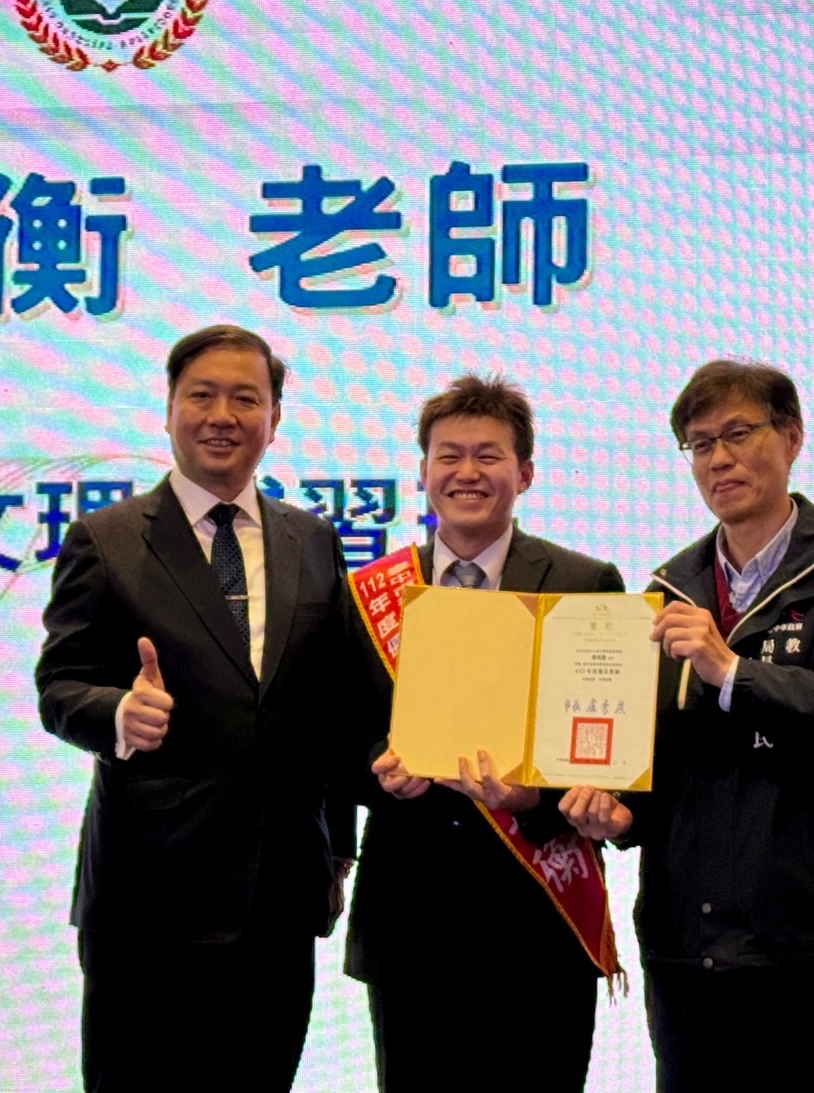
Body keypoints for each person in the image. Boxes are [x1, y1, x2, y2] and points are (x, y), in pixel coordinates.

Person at [560, 360, 814, 1092]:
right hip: (685, 940)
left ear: (791, 437)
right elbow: (663, 754)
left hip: (813, 940)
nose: (718, 459)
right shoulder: (667, 590)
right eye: (700, 444)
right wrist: (620, 814)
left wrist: (733, 671)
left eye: (737, 433)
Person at [35, 324, 373, 1093]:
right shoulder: (106, 539)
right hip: (149, 893)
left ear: (273, 420)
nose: (222, 415)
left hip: (278, 895)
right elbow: (60, 683)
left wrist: (336, 849)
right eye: (202, 395)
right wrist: (116, 713)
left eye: (245, 399)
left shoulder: (312, 539)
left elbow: (328, 704)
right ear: (169, 409)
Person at [345, 373, 625, 1093]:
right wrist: (378, 766)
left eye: (488, 455)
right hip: (410, 922)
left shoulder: (584, 582)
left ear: (524, 473)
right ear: (423, 471)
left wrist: (536, 796)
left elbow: (609, 744)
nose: (466, 472)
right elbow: (334, 737)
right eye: (448, 455)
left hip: (537, 922)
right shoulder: (370, 592)